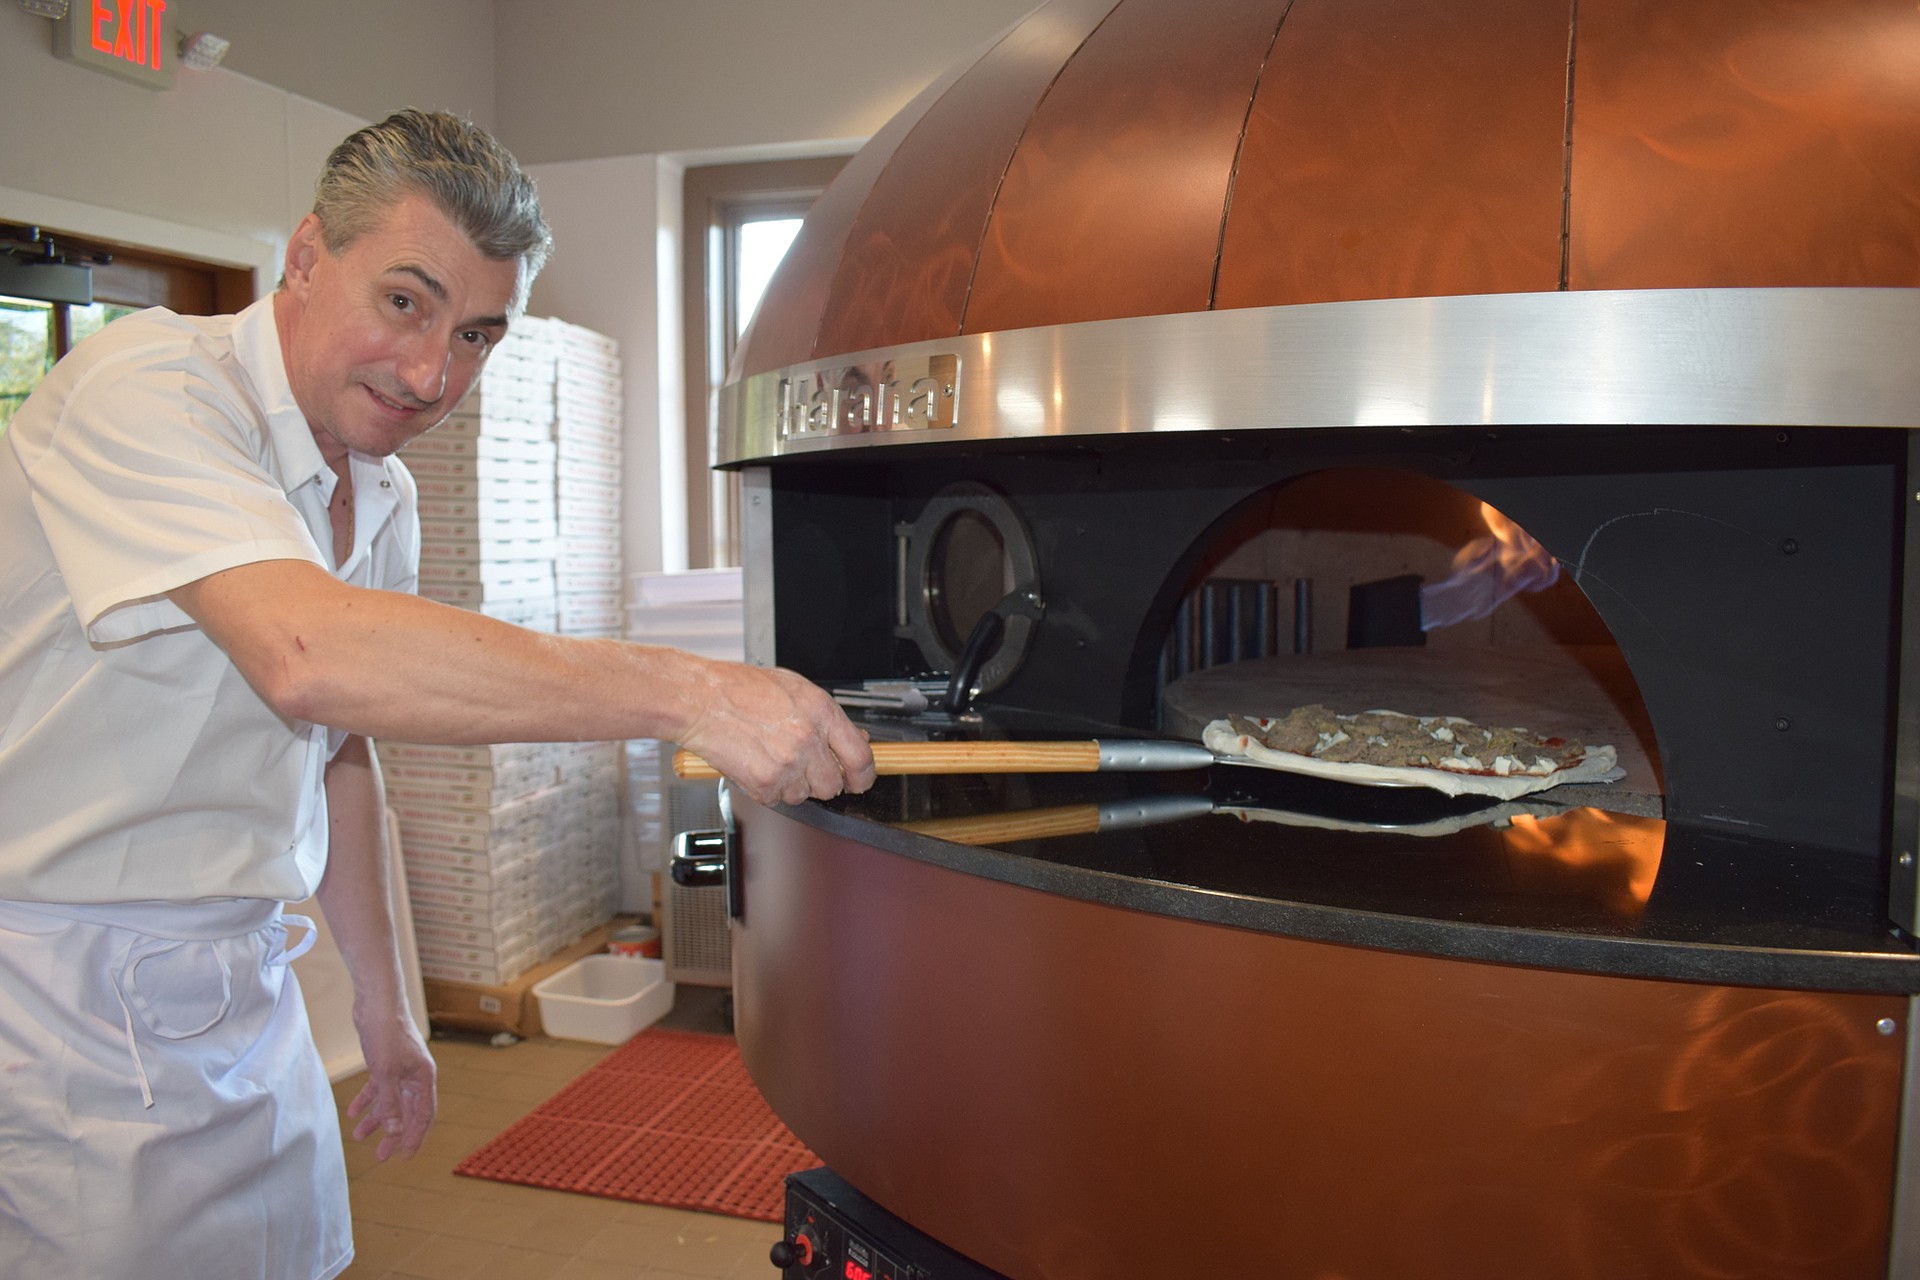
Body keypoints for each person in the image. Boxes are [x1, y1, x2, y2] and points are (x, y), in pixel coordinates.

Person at [0, 108, 874, 1280]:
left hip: (239, 990)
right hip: (55, 1005)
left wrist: (385, 1001)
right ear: (307, 255)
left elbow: (337, 750)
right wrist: (688, 691)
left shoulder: (380, 495)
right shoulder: (146, 386)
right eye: (404, 302)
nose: (431, 373)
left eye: (475, 334)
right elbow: (307, 651)